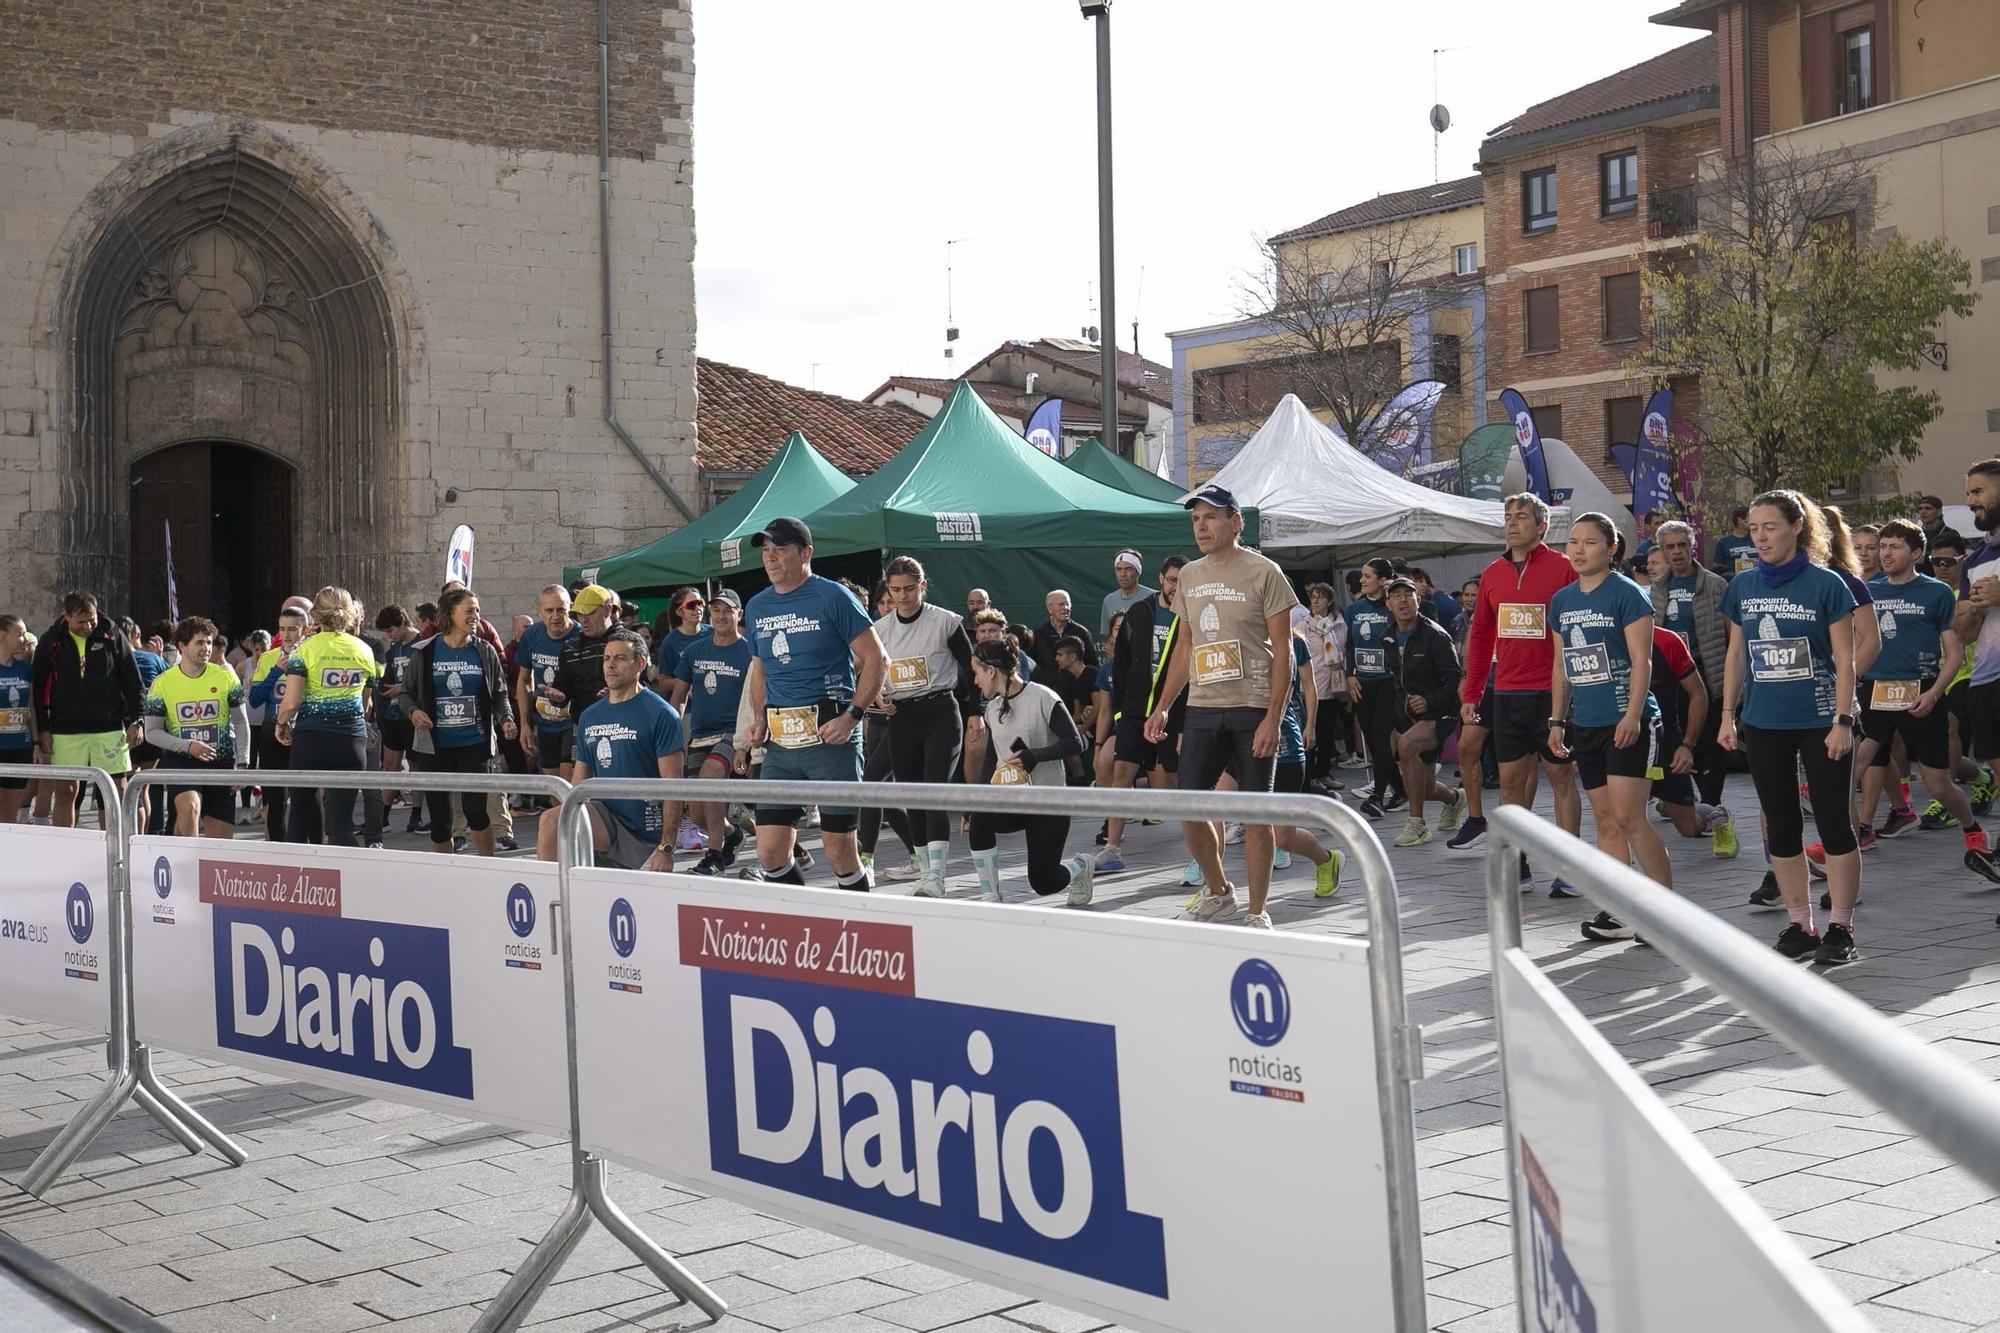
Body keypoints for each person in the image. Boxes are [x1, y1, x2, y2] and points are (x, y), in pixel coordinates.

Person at [1144, 484, 1300, 930]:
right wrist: (1163, 706)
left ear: (1235, 521)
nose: (1201, 526)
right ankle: (1219, 892)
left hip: (1252, 706)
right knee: (1189, 805)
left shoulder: (1264, 571)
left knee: (1255, 815)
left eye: (1210, 517)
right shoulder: (1190, 575)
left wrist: (1274, 716)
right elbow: (1185, 647)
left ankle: (1258, 910)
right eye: (1195, 519)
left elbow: (1284, 649)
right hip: (1203, 706)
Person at [1720, 491, 1862, 965]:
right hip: (1764, 722)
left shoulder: (1826, 584)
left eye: (1771, 527)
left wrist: (1844, 720)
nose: (1760, 536)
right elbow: (1736, 655)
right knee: (1781, 825)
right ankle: (1801, 922)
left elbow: (1847, 658)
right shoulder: (1741, 587)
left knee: (1834, 823)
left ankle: (1841, 926)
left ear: (1796, 527)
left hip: (1822, 721)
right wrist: (1727, 716)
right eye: (1754, 528)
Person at [741, 517, 888, 889]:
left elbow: (877, 659)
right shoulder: (757, 605)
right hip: (781, 745)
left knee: (838, 849)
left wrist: (852, 717)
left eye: (781, 549)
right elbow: (759, 669)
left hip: (830, 740)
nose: (771, 558)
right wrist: (759, 719)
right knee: (769, 851)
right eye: (766, 551)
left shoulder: (833, 596)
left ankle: (861, 930)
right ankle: (802, 924)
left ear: (806, 553)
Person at [1546, 514, 1669, 942]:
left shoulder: (1629, 595)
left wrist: (1633, 715)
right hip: (1585, 723)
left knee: (1630, 817)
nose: (1578, 550)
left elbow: (1643, 662)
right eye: (1573, 543)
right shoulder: (1561, 601)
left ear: (1611, 548)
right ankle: (1619, 910)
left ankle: (1663, 915)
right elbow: (1561, 666)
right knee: (1605, 820)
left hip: (1628, 720)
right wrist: (1557, 720)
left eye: (1590, 543)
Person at [1855, 517, 1998, 881]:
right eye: (1883, 546)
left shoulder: (1934, 592)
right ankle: (1842, 840)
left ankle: (1972, 830)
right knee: (1852, 769)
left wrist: (1934, 694)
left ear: (1917, 553)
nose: (1886, 553)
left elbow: (1952, 653)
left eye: (1895, 547)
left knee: (1938, 784)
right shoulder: (1868, 589)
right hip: (1875, 691)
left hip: (1920, 690)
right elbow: (1857, 642)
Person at [1459, 493, 1584, 893]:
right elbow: (1480, 637)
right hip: (1507, 691)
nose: (1513, 523)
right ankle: (1518, 864)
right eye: (1508, 516)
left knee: (1560, 775)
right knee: (1511, 780)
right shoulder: (1493, 572)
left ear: (1542, 526)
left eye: (1522, 517)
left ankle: (1569, 868)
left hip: (1553, 691)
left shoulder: (1564, 568)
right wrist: (1472, 692)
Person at [540, 629, 686, 871]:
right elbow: (578, 786)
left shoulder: (661, 714)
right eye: (606, 659)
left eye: (619, 658)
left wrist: (667, 847)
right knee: (551, 820)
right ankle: (551, 900)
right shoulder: (590, 715)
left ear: (639, 663)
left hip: (644, 830)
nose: (610, 665)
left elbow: (674, 786)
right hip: (607, 819)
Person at [872, 556, 974, 896]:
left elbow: (972, 667)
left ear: (923, 586)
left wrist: (977, 712)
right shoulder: (881, 629)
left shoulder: (945, 621)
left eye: (910, 589)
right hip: (901, 717)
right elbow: (871, 672)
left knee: (933, 792)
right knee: (911, 794)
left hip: (940, 710)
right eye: (896, 590)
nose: (903, 596)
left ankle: (938, 875)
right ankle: (925, 868)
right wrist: (877, 697)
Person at [966, 639, 1094, 903]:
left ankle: (1081, 866)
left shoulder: (1043, 697)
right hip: (1012, 800)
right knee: (979, 819)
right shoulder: (991, 708)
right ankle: (991, 896)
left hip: (1048, 802)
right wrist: (974, 798)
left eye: (977, 673)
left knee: (1044, 883)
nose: (975, 681)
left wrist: (1034, 756)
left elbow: (1076, 742)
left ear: (991, 671)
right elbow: (992, 758)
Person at [1650, 519, 1739, 856]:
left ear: (1692, 547)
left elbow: (1734, 636)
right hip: (1668, 678)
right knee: (1674, 744)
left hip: (1708, 671)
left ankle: (1715, 813)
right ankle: (1685, 802)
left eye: (1681, 545)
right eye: (1669, 547)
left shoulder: (1716, 585)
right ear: (1661, 551)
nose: (1676, 552)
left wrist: (1733, 682)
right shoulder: (1656, 589)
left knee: (1710, 749)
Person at [406, 586, 516, 856]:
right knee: (441, 823)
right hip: (435, 747)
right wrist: (413, 712)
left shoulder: (484, 651)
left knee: (476, 812)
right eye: (469, 611)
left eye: (477, 610)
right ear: (450, 613)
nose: (475, 616)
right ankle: (445, 875)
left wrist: (506, 720)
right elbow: (406, 693)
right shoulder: (425, 651)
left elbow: (500, 693)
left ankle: (485, 867)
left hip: (474, 743)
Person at [275, 587, 381, 847]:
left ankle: (296, 884)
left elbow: (291, 702)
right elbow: (366, 702)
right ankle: (351, 882)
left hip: (311, 737)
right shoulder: (365, 650)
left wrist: (281, 723)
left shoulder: (305, 649)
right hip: (351, 739)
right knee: (341, 824)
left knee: (298, 817)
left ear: (315, 615)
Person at [1099, 555, 1184, 871]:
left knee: (1180, 780)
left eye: (1183, 581)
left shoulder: (1191, 614)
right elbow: (1120, 664)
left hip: (1173, 713)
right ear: (1161, 579)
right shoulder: (1140, 610)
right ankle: (1112, 847)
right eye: (1173, 580)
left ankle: (1200, 851)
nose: (1177, 587)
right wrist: (1121, 713)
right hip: (1135, 712)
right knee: (1121, 773)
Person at [32, 591, 144, 828]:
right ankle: (66, 849)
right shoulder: (51, 639)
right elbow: (39, 687)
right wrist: (43, 729)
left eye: (91, 619)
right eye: (81, 622)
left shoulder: (111, 633)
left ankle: (119, 853)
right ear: (67, 616)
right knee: (66, 791)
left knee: (116, 792)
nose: (88, 626)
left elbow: (133, 680)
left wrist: (137, 719)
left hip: (109, 727)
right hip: (65, 728)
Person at [670, 587, 753, 874]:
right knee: (698, 814)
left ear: (738, 614)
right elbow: (679, 697)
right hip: (700, 734)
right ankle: (732, 834)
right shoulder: (695, 650)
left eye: (727, 610)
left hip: (734, 732)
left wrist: (749, 739)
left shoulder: (750, 651)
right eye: (716, 609)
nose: (720, 615)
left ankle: (714, 855)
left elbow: (758, 696)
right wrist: (673, 732)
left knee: (711, 774)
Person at [144, 617, 249, 839]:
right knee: (190, 806)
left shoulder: (225, 676)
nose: (206, 648)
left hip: (220, 760)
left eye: (209, 643)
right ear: (182, 646)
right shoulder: (162, 682)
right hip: (181, 759)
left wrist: (243, 762)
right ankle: (187, 864)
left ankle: (197, 861)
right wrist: (188, 745)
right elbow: (151, 732)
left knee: (220, 840)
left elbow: (240, 721)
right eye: (199, 643)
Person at [1381, 578, 1466, 848]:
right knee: (1423, 787)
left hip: (1440, 712)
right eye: (1397, 597)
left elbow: (1454, 680)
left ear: (1419, 600)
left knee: (1407, 747)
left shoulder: (1436, 635)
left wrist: (1429, 702)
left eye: (1409, 595)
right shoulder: (1388, 635)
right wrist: (1398, 718)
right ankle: (1454, 798)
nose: (1403, 601)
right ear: (1389, 604)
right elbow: (1399, 682)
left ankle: (1416, 825)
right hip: (1408, 715)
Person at [1344, 557, 1402, 819]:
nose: (1362, 580)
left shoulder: (1394, 605)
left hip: (1388, 681)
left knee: (1381, 738)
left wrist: (1392, 598)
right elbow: (1349, 644)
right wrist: (1349, 675)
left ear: (1382, 580)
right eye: (1362, 576)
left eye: (1368, 576)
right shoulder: (1355, 609)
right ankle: (1400, 789)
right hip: (1362, 682)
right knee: (1372, 739)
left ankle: (1378, 796)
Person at [516, 585, 581, 784]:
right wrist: (525, 725)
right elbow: (524, 679)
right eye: (549, 610)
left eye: (561, 609)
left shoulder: (580, 637)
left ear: (570, 609)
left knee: (568, 781)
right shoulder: (531, 636)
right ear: (539, 612)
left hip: (573, 721)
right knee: (552, 784)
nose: (555, 616)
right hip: (545, 721)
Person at [552, 584, 621, 728]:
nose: (583, 620)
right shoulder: (570, 647)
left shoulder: (628, 642)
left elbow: (645, 685)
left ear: (608, 610)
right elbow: (562, 688)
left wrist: (619, 692)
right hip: (584, 725)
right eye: (579, 614)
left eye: (589, 613)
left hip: (623, 724)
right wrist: (557, 697)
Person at [1302, 583, 1349, 791]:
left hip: (1332, 685)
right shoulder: (1304, 624)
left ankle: (1324, 772)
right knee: (1309, 732)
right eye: (1313, 597)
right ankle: (1309, 775)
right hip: (1310, 685)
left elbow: (1344, 651)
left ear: (1329, 601)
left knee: (1327, 732)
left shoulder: (1339, 624)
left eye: (1320, 597)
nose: (1316, 601)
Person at [0, 614, 39, 825]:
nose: (24, 638)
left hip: (20, 749)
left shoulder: (25, 669)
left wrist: (35, 743)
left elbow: (31, 706)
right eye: (20, 633)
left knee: (9, 815)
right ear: (2, 636)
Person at [1033, 590, 1094, 680]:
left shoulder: (1081, 632)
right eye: (1061, 604)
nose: (1065, 608)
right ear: (1049, 609)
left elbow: (1091, 663)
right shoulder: (1039, 634)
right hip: (1049, 689)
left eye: (1067, 604)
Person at [654, 587, 710, 682]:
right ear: (679, 612)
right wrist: (688, 682)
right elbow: (663, 684)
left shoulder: (713, 632)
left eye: (700, 603)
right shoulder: (670, 641)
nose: (698, 608)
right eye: (691, 605)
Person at [1101, 549, 1154, 636]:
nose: (1123, 574)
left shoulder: (1153, 597)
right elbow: (1108, 637)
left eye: (1128, 569)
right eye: (1118, 569)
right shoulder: (1109, 600)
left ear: (1137, 571)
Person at [1713, 507, 1757, 573]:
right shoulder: (1723, 543)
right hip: (1733, 581)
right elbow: (1718, 569)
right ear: (1740, 520)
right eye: (1750, 517)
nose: (1753, 521)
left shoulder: (1757, 539)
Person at [1920, 495, 1964, 559]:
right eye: (1920, 509)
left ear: (1939, 512)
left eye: (1928, 508)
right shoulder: (1914, 535)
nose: (1923, 512)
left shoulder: (1950, 534)